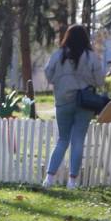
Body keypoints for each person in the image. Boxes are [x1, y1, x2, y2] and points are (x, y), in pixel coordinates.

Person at [42, 24, 105, 189]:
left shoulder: (58, 54)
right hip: (85, 101)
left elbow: (48, 73)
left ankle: (49, 178)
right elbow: (100, 81)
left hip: (63, 100)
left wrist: (59, 82)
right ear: (85, 38)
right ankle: (72, 181)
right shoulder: (91, 56)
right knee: (78, 140)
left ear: (67, 37)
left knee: (62, 140)